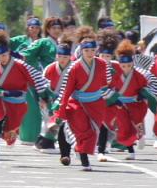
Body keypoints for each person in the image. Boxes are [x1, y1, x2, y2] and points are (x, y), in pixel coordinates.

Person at [0, 31, 49, 168]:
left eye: (4, 55)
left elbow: (36, 79)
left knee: (9, 131)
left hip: (17, 102)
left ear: (9, 52)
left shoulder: (21, 65)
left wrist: (44, 96)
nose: (2, 58)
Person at [55, 27, 110, 171]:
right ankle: (85, 160)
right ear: (81, 50)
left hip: (96, 103)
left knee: (93, 131)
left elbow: (105, 83)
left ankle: (81, 152)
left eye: (92, 50)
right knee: (83, 131)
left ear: (96, 50)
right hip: (78, 103)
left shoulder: (103, 64)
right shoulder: (74, 67)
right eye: (86, 51)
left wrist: (107, 94)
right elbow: (67, 89)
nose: (90, 53)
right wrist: (61, 108)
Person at [104, 40, 157, 160]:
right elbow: (107, 87)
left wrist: (144, 94)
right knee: (124, 127)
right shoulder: (113, 74)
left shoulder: (140, 75)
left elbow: (147, 86)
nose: (126, 68)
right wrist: (113, 98)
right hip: (120, 105)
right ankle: (131, 152)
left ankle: (140, 136)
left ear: (133, 64)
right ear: (119, 64)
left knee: (136, 123)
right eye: (123, 66)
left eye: (129, 66)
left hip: (135, 104)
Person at [14, 16, 64, 148]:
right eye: (53, 28)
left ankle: (45, 139)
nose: (56, 30)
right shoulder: (43, 42)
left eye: (59, 28)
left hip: (59, 80)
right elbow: (26, 55)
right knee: (48, 110)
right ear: (47, 29)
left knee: (54, 110)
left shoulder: (62, 43)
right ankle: (44, 140)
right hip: (45, 80)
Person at [43, 36, 75, 164]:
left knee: (68, 126)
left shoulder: (74, 68)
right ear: (56, 56)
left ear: (70, 57)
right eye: (60, 57)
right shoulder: (50, 68)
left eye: (66, 57)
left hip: (71, 101)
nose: (62, 60)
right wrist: (44, 99)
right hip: (55, 102)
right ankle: (65, 154)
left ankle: (73, 150)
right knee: (61, 126)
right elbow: (42, 85)